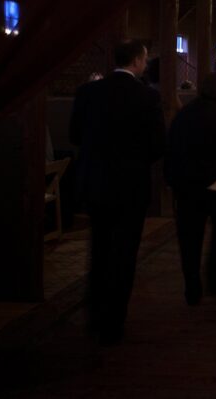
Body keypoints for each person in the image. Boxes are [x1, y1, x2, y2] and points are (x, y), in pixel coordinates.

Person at [69, 40, 165, 344]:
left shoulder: (88, 92)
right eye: (145, 59)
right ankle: (114, 321)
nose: (146, 64)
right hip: (131, 186)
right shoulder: (148, 97)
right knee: (124, 253)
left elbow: (75, 135)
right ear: (137, 61)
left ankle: (94, 315)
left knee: (99, 250)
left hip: (96, 183)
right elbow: (157, 146)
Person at [165, 73, 216, 306]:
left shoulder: (185, 114)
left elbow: (172, 147)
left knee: (189, 239)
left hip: (187, 186)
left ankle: (192, 288)